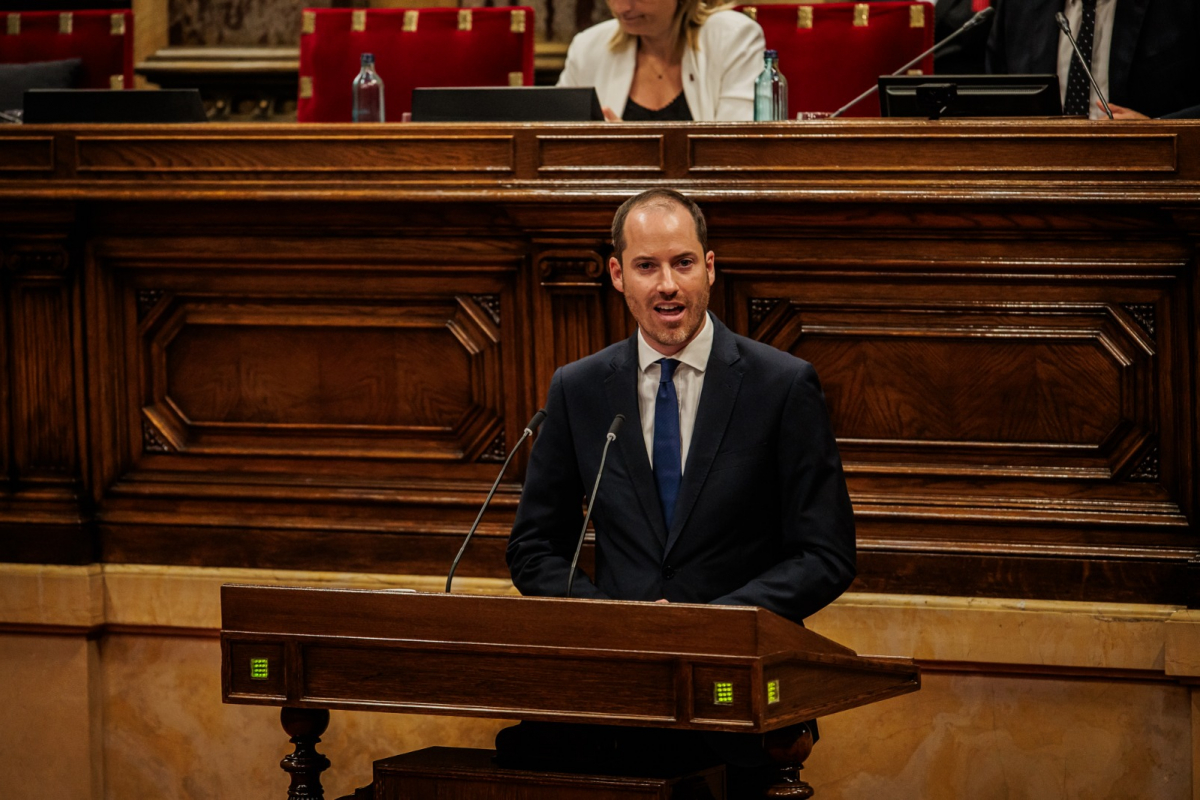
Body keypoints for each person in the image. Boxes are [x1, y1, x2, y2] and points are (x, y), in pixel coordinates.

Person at [502, 189, 856, 795]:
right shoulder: (579, 390)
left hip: (741, 706)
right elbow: (534, 547)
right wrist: (620, 624)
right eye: (647, 266)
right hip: (618, 705)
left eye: (683, 263)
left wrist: (707, 626)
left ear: (710, 269)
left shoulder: (781, 386)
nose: (667, 284)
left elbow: (826, 554)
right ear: (618, 275)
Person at [985, 0, 1200, 120]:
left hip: (1150, 180)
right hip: (1041, 181)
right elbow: (991, 102)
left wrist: (1158, 130)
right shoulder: (1019, 7)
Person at [556, 0, 766, 121]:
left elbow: (736, 148)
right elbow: (555, 140)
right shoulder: (588, 46)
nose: (622, 8)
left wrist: (630, 149)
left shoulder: (734, 37)